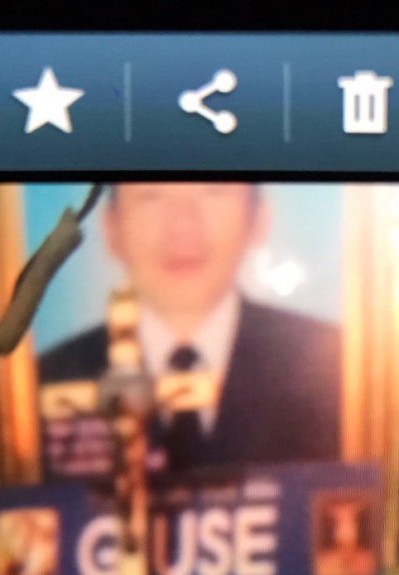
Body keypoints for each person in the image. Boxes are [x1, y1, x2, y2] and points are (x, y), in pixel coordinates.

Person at [39, 183, 341, 471]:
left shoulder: (341, 371)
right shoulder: (42, 383)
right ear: (111, 228)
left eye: (213, 191)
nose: (183, 227)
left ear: (260, 218)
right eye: (151, 196)